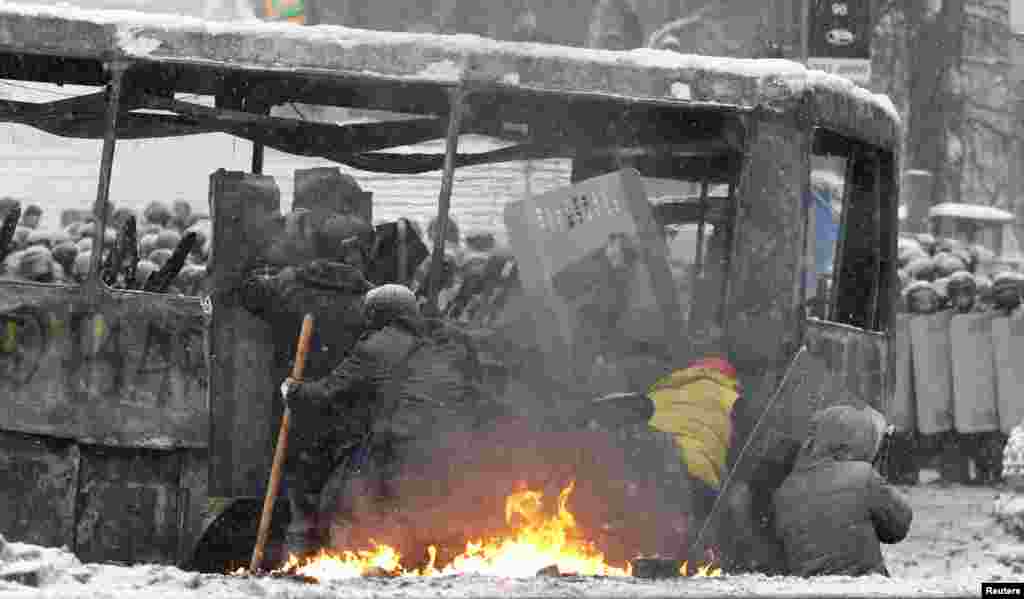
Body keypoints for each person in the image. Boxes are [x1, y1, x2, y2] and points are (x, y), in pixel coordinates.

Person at [281, 284, 481, 557]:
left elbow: (327, 393)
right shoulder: (441, 342)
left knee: (341, 501)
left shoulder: (375, 346)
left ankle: (347, 563)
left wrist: (293, 390)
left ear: (379, 313)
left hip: (398, 448)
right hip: (450, 449)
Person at [238, 211, 377, 558]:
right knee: (345, 502)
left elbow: (248, 289)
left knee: (300, 503)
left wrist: (281, 251)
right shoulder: (371, 301)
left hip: (297, 414)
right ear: (352, 252)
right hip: (351, 419)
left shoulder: (289, 287)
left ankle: (296, 565)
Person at [773, 405, 912, 577]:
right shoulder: (862, 475)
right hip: (863, 585)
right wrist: (879, 481)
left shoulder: (786, 489)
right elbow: (898, 528)